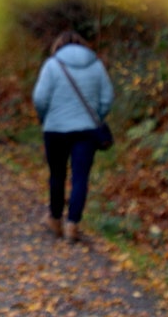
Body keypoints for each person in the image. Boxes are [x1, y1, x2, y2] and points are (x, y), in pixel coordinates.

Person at [32, 29, 114, 241]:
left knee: (57, 174)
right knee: (80, 177)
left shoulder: (52, 65)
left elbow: (40, 98)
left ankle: (55, 218)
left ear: (58, 46)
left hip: (55, 129)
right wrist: (97, 116)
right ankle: (73, 224)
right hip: (86, 130)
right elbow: (107, 97)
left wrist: (45, 117)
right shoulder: (96, 65)